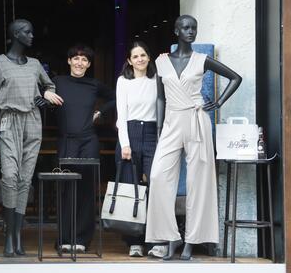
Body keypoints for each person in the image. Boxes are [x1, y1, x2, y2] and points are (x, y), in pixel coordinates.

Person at [146, 15, 242, 260]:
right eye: (186, 28)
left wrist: (219, 102)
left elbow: (235, 78)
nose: (191, 32)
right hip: (170, 121)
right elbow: (159, 97)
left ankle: (191, 240)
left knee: (198, 183)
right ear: (176, 31)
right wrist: (159, 128)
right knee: (158, 176)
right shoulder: (161, 61)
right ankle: (171, 237)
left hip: (196, 119)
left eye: (194, 28)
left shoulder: (202, 60)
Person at [0, 19, 63, 257]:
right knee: (10, 176)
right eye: (27, 32)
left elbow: (49, 85)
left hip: (32, 120)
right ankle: (9, 233)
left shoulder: (35, 64)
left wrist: (45, 96)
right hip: (9, 120)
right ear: (16, 34)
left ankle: (18, 234)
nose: (32, 35)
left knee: (25, 178)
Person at [53, 44, 115, 253]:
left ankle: (81, 239)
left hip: (89, 141)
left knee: (86, 189)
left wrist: (100, 112)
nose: (80, 63)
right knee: (65, 190)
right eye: (76, 58)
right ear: (69, 61)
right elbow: (37, 95)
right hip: (66, 141)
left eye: (84, 60)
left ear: (89, 64)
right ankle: (64, 238)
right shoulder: (58, 82)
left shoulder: (94, 84)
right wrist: (45, 93)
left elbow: (117, 97)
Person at [115, 41, 166, 258]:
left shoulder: (157, 79)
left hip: (153, 134)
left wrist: (165, 59)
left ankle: (157, 239)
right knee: (130, 187)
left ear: (149, 57)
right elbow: (121, 116)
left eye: (143, 55)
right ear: (129, 61)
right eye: (135, 56)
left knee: (157, 185)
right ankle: (134, 241)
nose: (140, 60)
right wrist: (125, 143)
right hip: (130, 134)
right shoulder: (123, 82)